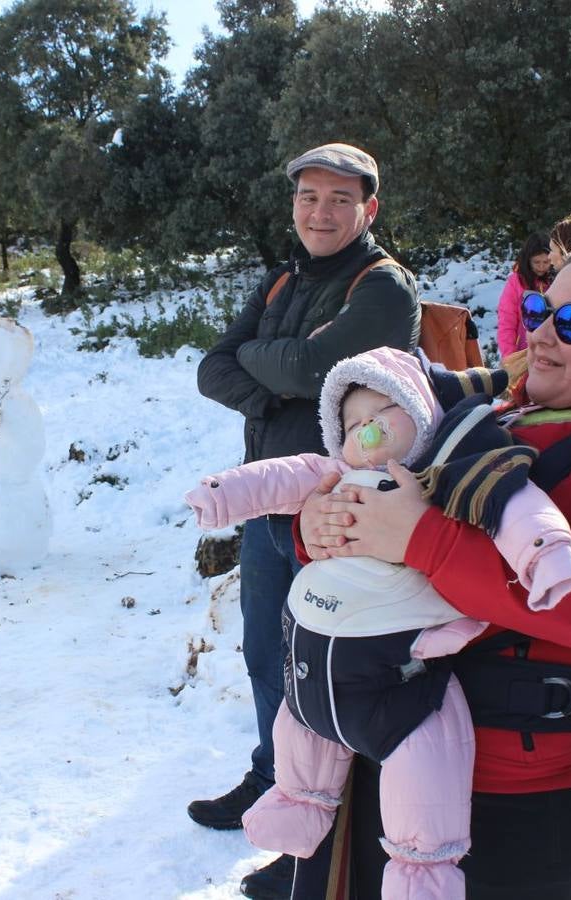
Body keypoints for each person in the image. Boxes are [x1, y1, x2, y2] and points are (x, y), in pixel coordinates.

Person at [298, 237, 571, 899]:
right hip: (398, 748)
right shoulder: (487, 414)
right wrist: (323, 526)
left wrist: (422, 539)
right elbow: (374, 492)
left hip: (526, 793)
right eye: (538, 308)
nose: (543, 331)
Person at [188, 348, 571, 898]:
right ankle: (298, 803)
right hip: (317, 669)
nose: (368, 429)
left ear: (421, 411)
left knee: (423, 767)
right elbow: (277, 477)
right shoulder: (334, 474)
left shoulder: (453, 471)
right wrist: (223, 497)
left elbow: (515, 504)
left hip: (400, 675)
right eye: (353, 424)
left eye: (383, 411)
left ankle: (422, 872)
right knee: (298, 729)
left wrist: (544, 551)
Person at [190, 142, 421, 900]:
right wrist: (275, 385)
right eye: (308, 197)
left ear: (369, 210)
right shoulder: (283, 275)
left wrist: (276, 370)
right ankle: (272, 785)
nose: (320, 212)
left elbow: (301, 373)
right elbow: (214, 367)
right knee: (267, 657)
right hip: (269, 507)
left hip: (342, 516)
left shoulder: (383, 289)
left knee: (329, 672)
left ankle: (324, 841)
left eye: (338, 199)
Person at [495, 232, 553, 359]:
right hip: (523, 352)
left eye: (546, 262)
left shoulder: (557, 280)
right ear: (528, 261)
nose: (542, 267)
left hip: (551, 349)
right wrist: (510, 355)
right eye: (536, 262)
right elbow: (507, 321)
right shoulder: (516, 282)